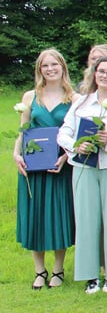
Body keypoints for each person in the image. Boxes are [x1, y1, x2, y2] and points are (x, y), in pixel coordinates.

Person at [57, 56, 107, 293]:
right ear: (94, 73)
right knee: (86, 221)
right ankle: (90, 276)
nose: (105, 76)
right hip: (84, 167)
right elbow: (63, 133)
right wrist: (76, 145)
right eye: (101, 71)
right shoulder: (81, 103)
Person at [14, 49, 76, 289]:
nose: (50, 69)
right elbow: (23, 130)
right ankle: (39, 271)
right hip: (34, 166)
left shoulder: (73, 97)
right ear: (39, 70)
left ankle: (58, 270)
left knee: (58, 215)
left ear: (62, 66)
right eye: (45, 66)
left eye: (54, 65)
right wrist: (16, 154)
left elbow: (75, 133)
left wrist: (66, 158)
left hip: (59, 166)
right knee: (36, 215)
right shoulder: (30, 97)